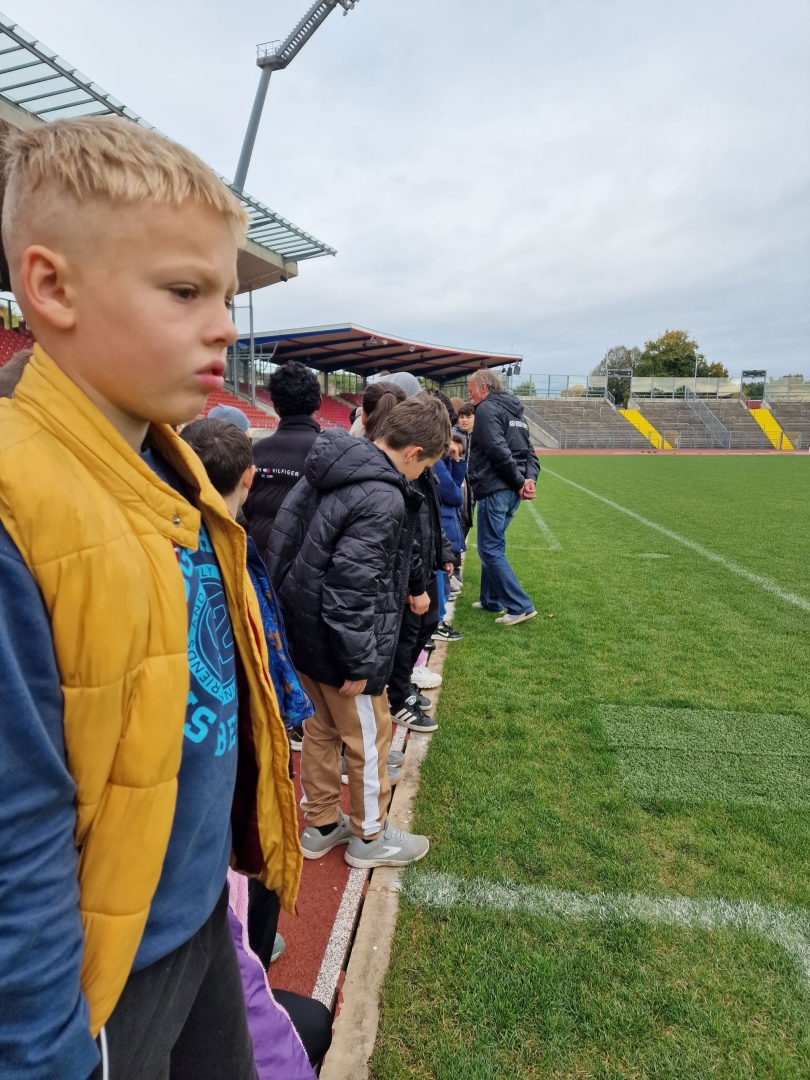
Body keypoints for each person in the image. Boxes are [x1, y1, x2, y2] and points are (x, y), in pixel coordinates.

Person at [0, 115, 301, 1079]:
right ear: (52, 288)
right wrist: (50, 1057)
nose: (225, 326)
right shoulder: (16, 504)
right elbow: (16, 837)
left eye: (224, 295)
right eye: (184, 291)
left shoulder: (173, 469)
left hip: (195, 916)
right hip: (99, 982)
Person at [178, 418, 331, 1071]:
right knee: (255, 852)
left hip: (213, 754)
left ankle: (249, 950)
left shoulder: (187, 541)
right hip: (223, 758)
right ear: (248, 474)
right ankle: (252, 952)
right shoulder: (212, 553)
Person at [267, 395, 451, 868]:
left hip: (305, 634)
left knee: (320, 732)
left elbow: (283, 541)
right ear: (412, 453)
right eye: (424, 466)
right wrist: (358, 661)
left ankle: (320, 824)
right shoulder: (382, 495)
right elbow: (351, 588)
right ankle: (370, 836)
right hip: (340, 646)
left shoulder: (330, 464)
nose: (420, 475)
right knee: (369, 739)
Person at [467, 368, 540, 625]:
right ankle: (491, 600)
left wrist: (521, 482)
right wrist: (528, 480)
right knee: (494, 545)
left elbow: (497, 449)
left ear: (483, 388)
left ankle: (520, 605)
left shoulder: (486, 409)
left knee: (490, 548)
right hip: (511, 492)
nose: (470, 396)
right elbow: (530, 454)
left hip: (495, 488)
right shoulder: (516, 413)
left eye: (471, 391)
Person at [243, 360, 322, 561]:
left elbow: (244, 508)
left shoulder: (255, 452)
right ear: (319, 402)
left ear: (276, 407)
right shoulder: (330, 453)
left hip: (258, 562)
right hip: (305, 563)